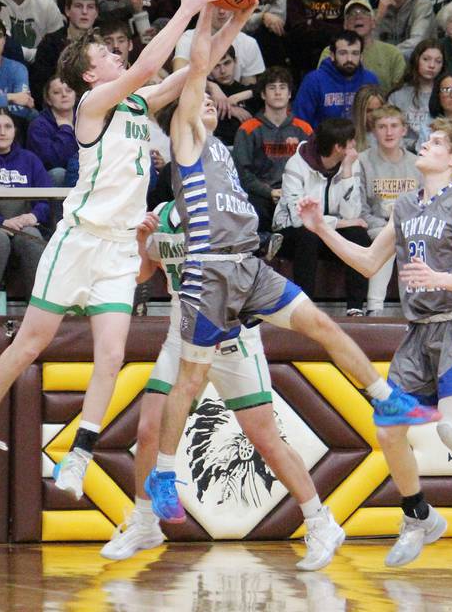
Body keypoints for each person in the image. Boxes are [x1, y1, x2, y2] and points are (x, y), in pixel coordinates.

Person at [144, 2, 439, 532]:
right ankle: (164, 474)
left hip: (249, 266)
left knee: (322, 324)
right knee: (189, 380)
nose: (208, 102)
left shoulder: (223, 150)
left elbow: (207, 71)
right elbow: (199, 68)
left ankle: (384, 398)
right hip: (209, 274)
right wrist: (204, 16)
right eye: (200, 99)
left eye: (210, 101)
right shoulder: (187, 141)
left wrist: (239, 18)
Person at [0, 0, 240, 496]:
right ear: (89, 74)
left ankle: (79, 455)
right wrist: (187, 8)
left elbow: (194, 67)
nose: (115, 54)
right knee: (31, 342)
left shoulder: (137, 104)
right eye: (105, 53)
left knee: (110, 356)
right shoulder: (93, 106)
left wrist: (234, 18)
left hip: (120, 248)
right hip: (79, 241)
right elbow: (149, 66)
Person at [299, 118, 452, 569]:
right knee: (388, 430)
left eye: (436, 142)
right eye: (426, 139)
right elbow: (369, 262)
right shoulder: (406, 205)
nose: (424, 145)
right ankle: (419, 516)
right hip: (418, 332)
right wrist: (321, 230)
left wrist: (438, 278)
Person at [100, 200, 334, 569]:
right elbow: (144, 274)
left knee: (265, 440)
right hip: (182, 336)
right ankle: (145, 523)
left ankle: (320, 522)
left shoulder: (224, 211)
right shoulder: (161, 214)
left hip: (231, 338)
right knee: (147, 430)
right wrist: (142, 241)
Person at [272, 117, 369, 315]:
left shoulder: (351, 162)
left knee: (358, 235)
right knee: (308, 236)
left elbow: (352, 214)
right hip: (291, 232)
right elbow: (299, 218)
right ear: (338, 147)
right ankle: (306, 309)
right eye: (351, 141)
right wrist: (342, 223)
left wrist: (347, 171)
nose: (354, 145)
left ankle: (355, 308)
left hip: (326, 232)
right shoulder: (296, 164)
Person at [233, 66, 312, 233]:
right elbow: (242, 173)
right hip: (261, 197)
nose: (278, 93)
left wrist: (292, 193)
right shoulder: (248, 129)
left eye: (282, 87)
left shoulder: (304, 129)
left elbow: (313, 169)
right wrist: (269, 192)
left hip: (297, 195)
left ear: (289, 94)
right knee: (255, 209)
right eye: (272, 88)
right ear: (263, 94)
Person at [357, 104, 419, 316]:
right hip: (375, 225)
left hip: (410, 226)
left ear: (404, 130)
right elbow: (360, 208)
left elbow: (425, 205)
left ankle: (414, 309)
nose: (389, 132)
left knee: (411, 240)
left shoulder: (417, 163)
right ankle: (375, 308)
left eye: (394, 126)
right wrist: (387, 227)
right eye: (382, 127)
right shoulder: (362, 161)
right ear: (373, 131)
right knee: (389, 238)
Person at [0, 108, 51, 304]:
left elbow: (46, 199)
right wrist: (1, 221)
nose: (2, 132)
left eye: (8, 127)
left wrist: (32, 216)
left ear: (15, 131)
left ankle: (39, 307)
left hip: (25, 224)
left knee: (32, 237)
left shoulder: (29, 159)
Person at [324, 0, 406, 96]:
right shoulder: (331, 51)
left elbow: (401, 93)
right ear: (345, 25)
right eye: (352, 13)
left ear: (373, 22)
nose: (358, 16)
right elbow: (321, 87)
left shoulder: (393, 53)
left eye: (364, 12)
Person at [292, 31, 378, 128]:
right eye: (343, 53)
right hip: (322, 137)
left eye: (355, 53)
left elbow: (377, 118)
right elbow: (300, 122)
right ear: (332, 55)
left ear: (361, 56)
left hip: (362, 137)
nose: (349, 59)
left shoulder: (370, 80)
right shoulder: (314, 80)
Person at [30, 0, 98, 103]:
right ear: (67, 11)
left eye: (90, 7)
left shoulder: (102, 45)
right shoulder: (50, 44)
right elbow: (40, 85)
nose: (84, 12)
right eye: (78, 6)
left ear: (96, 13)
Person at [174, 6, 264, 85]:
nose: (221, 11)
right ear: (203, 7)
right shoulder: (188, 38)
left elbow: (249, 87)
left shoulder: (249, 43)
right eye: (215, 6)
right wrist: (211, 87)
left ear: (235, 7)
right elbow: (178, 80)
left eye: (226, 5)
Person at [388, 39, 445, 152]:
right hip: (403, 154)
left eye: (438, 61)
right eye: (426, 59)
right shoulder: (397, 96)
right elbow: (388, 132)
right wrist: (414, 145)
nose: (432, 65)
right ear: (416, 59)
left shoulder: (445, 95)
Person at [26, 76, 77, 186]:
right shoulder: (38, 125)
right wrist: (65, 130)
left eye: (69, 90)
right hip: (48, 178)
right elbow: (53, 162)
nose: (64, 95)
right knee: (58, 173)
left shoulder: (85, 117)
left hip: (82, 169)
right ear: (48, 99)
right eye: (57, 92)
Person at [206, 45, 254, 145]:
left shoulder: (246, 91)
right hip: (216, 146)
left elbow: (273, 85)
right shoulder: (205, 93)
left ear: (235, 61)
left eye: (227, 63)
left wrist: (239, 97)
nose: (223, 71)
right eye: (216, 66)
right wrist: (212, 86)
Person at [351, 83, 388, 150]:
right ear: (359, 112)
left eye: (378, 109)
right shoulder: (350, 138)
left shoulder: (392, 135)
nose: (374, 115)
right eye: (369, 111)